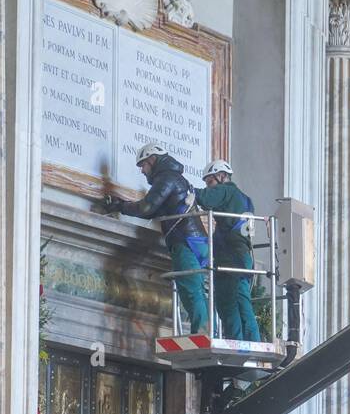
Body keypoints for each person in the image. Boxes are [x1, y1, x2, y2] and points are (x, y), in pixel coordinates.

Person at [101, 143, 210, 332]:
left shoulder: (166, 178)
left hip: (185, 241)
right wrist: (123, 205)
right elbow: (152, 210)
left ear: (152, 159)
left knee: (191, 290)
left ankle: (203, 334)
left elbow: (146, 208)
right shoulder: (176, 178)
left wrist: (120, 206)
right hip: (196, 241)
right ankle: (207, 330)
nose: (143, 171)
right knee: (196, 289)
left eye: (143, 165)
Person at [194, 160, 261, 342]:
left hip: (231, 257)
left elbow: (205, 198)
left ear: (222, 176)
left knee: (229, 304)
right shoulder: (245, 199)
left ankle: (242, 343)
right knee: (240, 302)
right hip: (242, 256)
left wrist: (185, 189)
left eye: (210, 182)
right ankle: (245, 341)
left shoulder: (227, 190)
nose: (209, 187)